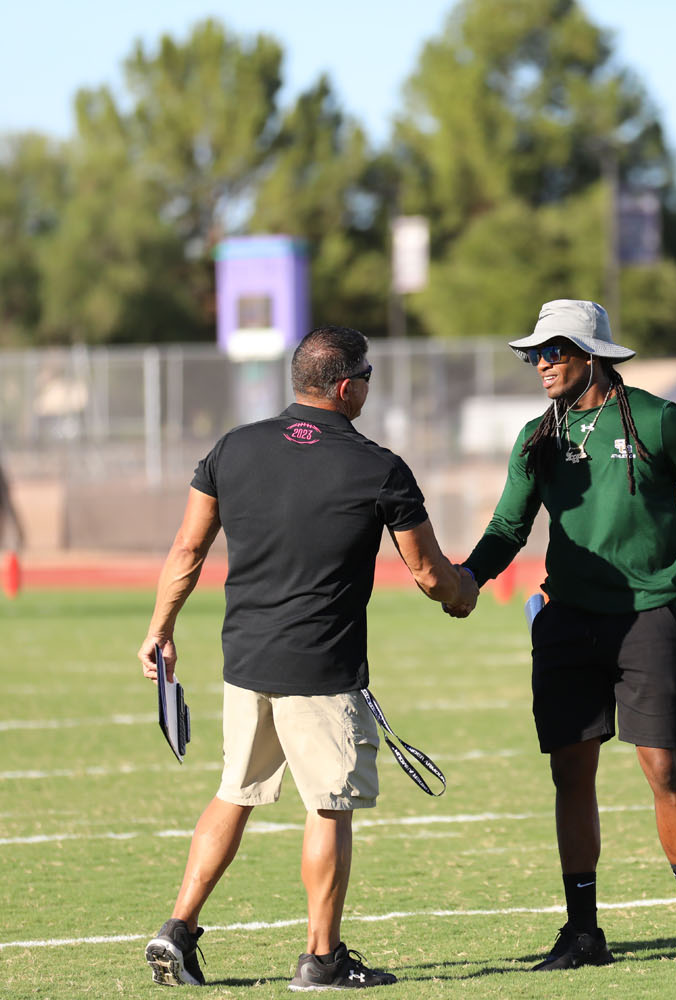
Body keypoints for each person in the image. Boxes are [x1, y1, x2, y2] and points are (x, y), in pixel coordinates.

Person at [138, 326, 478, 990]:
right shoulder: (378, 466)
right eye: (368, 376)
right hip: (320, 668)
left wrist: (160, 629)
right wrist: (462, 595)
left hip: (246, 661)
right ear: (348, 385)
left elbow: (186, 551)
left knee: (233, 794)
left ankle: (178, 927)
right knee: (329, 805)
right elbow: (431, 574)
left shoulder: (233, 448)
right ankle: (322, 958)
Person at [458, 299, 676, 970]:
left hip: (650, 613)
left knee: (661, 766)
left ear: (590, 352)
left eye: (553, 351)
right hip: (566, 619)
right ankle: (584, 931)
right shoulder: (537, 437)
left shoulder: (659, 418)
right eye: (534, 354)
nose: (541, 364)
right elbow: (509, 527)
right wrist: (468, 577)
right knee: (572, 773)